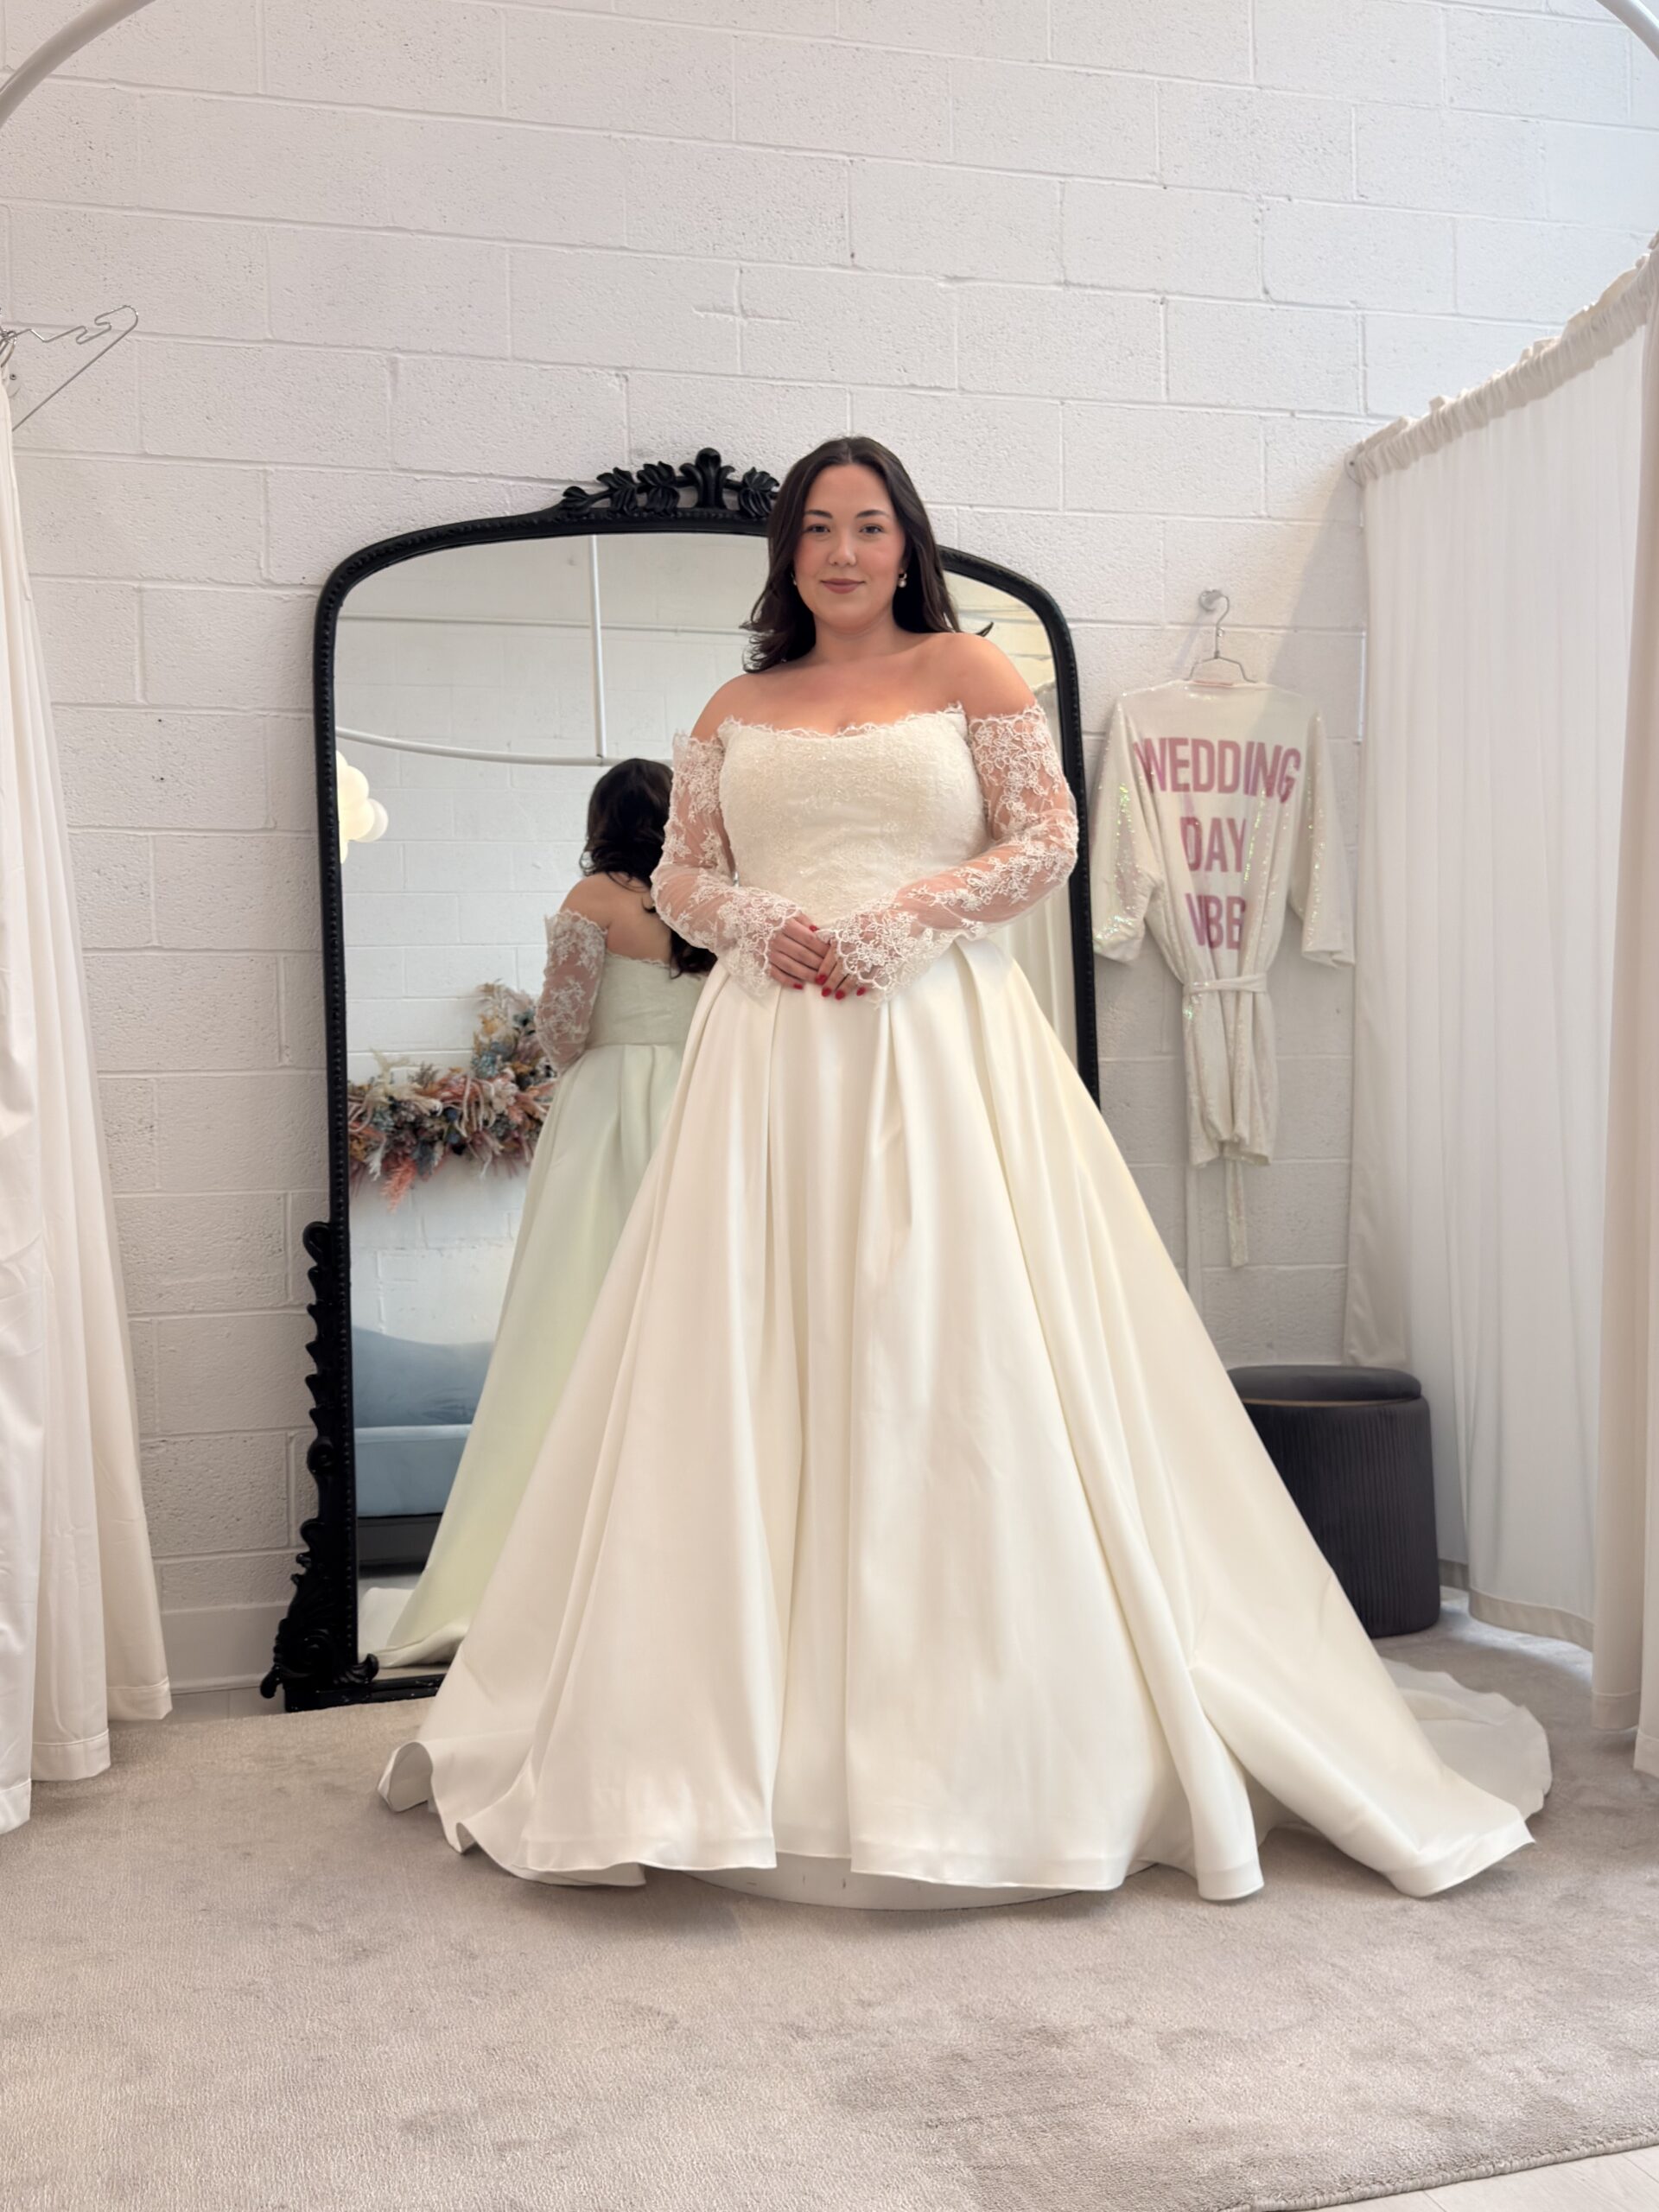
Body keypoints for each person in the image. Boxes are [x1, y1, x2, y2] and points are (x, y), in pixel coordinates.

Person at [380, 435, 1548, 1903]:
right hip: (771, 1045)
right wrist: (753, 920)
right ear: (788, 552)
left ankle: (989, 1739)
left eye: (870, 526)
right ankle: (727, 1728)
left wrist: (909, 917)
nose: (845, 551)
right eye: (818, 528)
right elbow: (677, 874)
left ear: (908, 542)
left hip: (933, 1035)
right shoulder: (736, 703)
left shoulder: (975, 676)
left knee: (948, 1334)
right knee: (750, 1347)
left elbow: (1046, 836)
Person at [370, 760, 709, 1671]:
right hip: (708, 1109)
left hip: (608, 1112)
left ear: (604, 820)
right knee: (695, 1329)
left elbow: (560, 1032)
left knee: (575, 1318)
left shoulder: (593, 896)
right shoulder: (715, 897)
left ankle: (552, 1557)